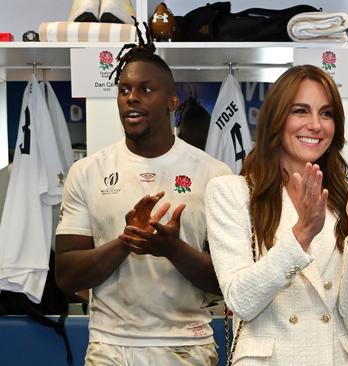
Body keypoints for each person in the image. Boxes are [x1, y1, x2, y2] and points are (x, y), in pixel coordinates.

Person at [55, 23, 231, 365]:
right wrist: (126, 242)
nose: (131, 97)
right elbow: (66, 275)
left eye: (145, 89)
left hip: (187, 346)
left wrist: (172, 249)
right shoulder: (88, 172)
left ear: (172, 100)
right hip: (110, 346)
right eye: (124, 90)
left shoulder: (214, 174)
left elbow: (228, 282)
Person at [206, 64, 348, 365]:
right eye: (300, 111)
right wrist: (302, 234)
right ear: (276, 118)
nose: (315, 125)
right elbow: (241, 301)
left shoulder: (347, 197)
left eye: (326, 114)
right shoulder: (231, 192)